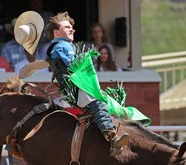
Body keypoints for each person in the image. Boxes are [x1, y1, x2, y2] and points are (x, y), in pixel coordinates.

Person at [43, 12, 129, 149]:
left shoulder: (59, 47)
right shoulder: (62, 46)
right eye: (67, 27)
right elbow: (75, 67)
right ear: (56, 33)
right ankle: (111, 135)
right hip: (77, 88)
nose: (72, 29)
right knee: (98, 102)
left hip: (72, 89)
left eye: (72, 27)